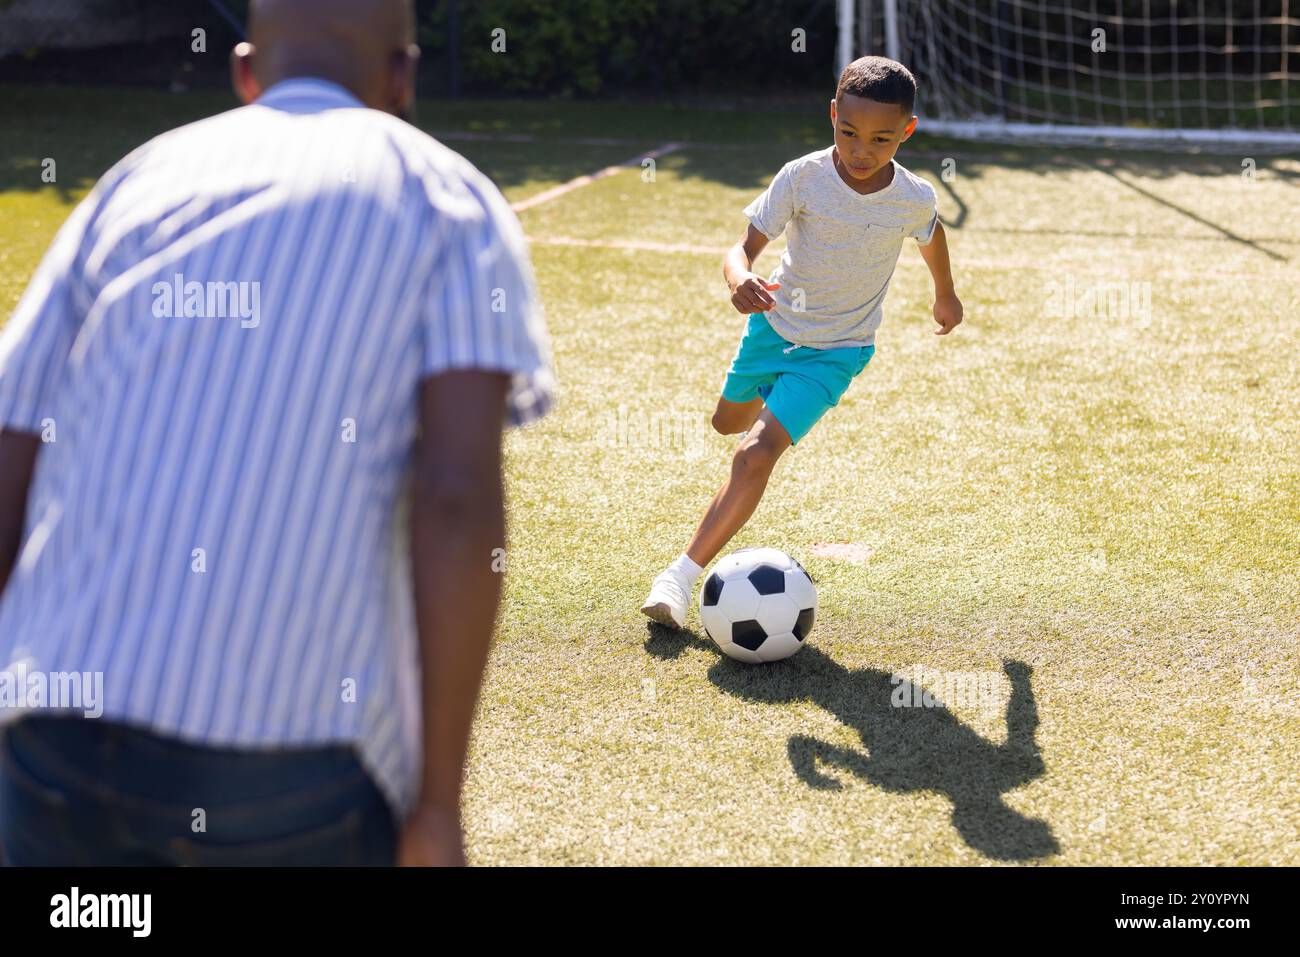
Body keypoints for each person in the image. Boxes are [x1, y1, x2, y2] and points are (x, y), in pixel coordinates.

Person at [0, 0, 553, 866]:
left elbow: (12, 439)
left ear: (246, 71)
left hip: (52, 734)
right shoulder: (453, 204)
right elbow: (456, 499)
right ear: (402, 81)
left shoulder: (136, 181)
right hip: (291, 763)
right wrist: (439, 803)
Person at [641, 56, 962, 628]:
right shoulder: (802, 176)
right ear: (834, 115)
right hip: (773, 328)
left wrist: (946, 294)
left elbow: (932, 240)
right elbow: (740, 249)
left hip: (838, 351)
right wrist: (739, 279)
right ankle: (776, 398)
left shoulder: (913, 198)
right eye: (849, 133)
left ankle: (677, 580)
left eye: (882, 139)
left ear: (907, 131)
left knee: (754, 454)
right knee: (727, 424)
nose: (862, 151)